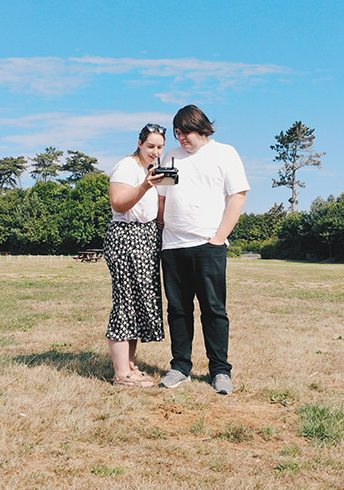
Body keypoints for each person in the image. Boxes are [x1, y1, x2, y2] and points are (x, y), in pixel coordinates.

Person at [156, 105, 249, 395]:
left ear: (202, 128)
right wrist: (162, 227)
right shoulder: (170, 156)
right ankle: (180, 367)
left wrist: (220, 237)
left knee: (213, 310)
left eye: (186, 132)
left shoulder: (225, 153)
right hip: (173, 245)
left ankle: (220, 371)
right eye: (177, 132)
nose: (181, 137)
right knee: (178, 310)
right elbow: (162, 196)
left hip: (209, 245)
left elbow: (238, 195)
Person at [103, 123, 168, 388]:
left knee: (139, 302)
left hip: (147, 238)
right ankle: (121, 374)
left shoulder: (149, 169)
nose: (155, 152)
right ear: (140, 143)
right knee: (125, 301)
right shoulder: (127, 167)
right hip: (126, 237)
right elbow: (118, 202)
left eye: (160, 147)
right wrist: (144, 186)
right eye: (151, 146)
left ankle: (130, 366)